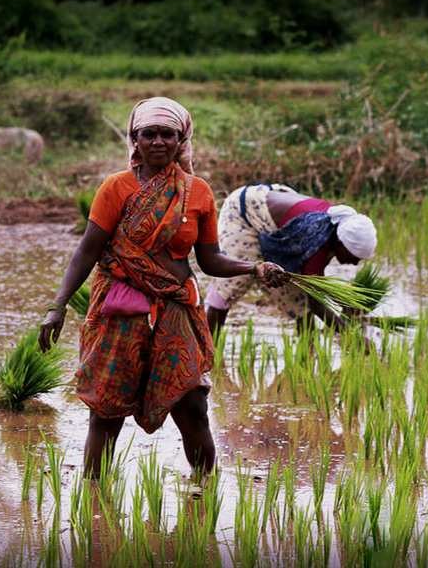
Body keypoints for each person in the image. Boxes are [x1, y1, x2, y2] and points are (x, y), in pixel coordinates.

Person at [38, 97, 287, 480]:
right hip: (119, 309)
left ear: (180, 139)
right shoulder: (116, 188)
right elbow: (85, 252)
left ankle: (205, 492)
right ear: (134, 140)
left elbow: (209, 260)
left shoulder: (198, 192)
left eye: (166, 134)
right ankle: (94, 500)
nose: (157, 142)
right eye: (148, 134)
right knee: (106, 412)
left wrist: (253, 267)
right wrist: (57, 306)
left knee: (192, 405)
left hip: (175, 308)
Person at [204, 183, 377, 336]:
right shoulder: (315, 239)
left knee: (298, 301)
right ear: (341, 243)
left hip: (277, 219)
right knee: (230, 285)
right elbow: (316, 302)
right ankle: (205, 351)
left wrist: (345, 302)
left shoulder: (334, 227)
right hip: (245, 212)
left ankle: (306, 358)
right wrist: (352, 336)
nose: (355, 263)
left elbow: (315, 284)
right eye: (354, 257)